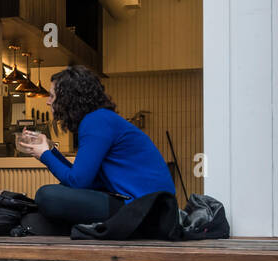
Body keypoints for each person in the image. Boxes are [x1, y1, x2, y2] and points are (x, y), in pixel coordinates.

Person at [15, 64, 175, 230]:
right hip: (150, 208)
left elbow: (77, 182)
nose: (48, 102)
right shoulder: (100, 119)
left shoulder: (96, 122)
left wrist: (44, 155)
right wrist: (50, 149)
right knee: (36, 217)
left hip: (145, 210)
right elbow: (82, 178)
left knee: (46, 195)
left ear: (68, 98)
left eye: (52, 96)